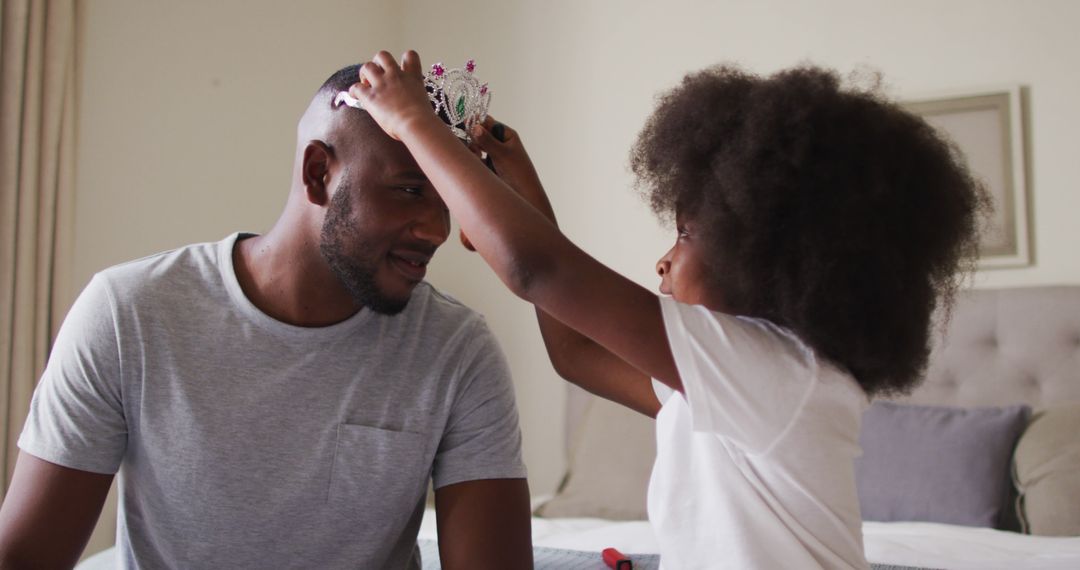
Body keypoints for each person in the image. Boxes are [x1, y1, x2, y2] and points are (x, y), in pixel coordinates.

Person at [348, 51, 986, 569]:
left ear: (763, 253)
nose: (663, 260)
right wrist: (522, 185)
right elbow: (578, 354)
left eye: (684, 234)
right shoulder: (735, 381)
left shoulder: (775, 372)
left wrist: (416, 123)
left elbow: (539, 269)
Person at [0, 64, 533, 570]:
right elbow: (24, 558)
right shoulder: (129, 314)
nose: (436, 229)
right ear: (319, 172)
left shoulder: (456, 350)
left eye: (446, 199)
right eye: (411, 191)